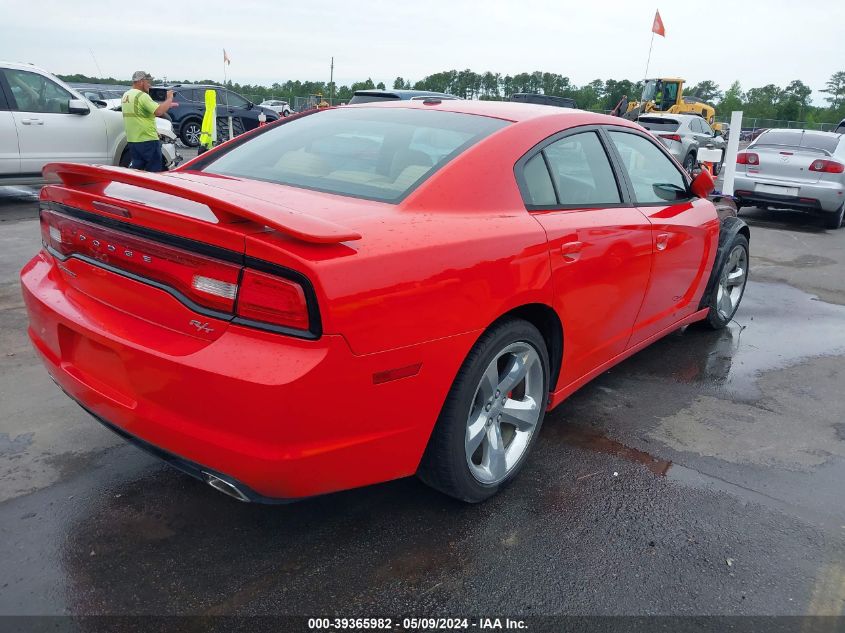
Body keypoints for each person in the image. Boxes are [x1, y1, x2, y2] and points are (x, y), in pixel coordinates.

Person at [121, 71, 176, 171]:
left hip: (133, 140)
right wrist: (169, 99)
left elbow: (140, 114)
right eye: (148, 82)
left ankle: (137, 187)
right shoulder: (142, 96)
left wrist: (165, 105)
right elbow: (159, 111)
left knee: (137, 170)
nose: (149, 85)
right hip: (147, 140)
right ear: (141, 81)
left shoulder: (126, 95)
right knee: (153, 171)